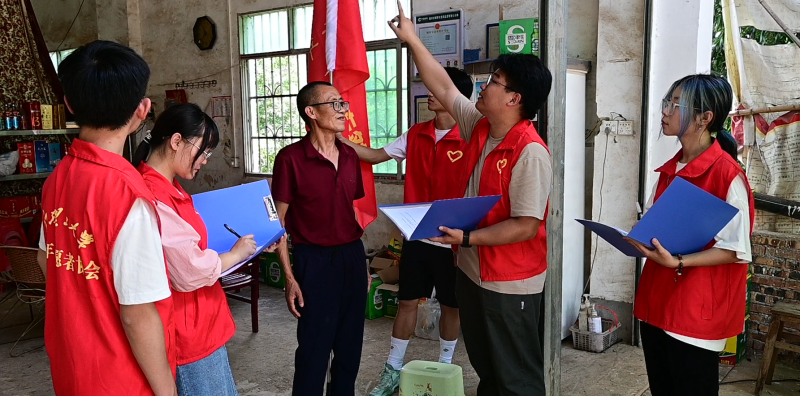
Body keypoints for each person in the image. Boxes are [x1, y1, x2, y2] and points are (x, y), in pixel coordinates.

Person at [388, 6, 553, 396]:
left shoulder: (529, 152)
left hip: (510, 282)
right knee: (487, 368)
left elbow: (526, 224)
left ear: (514, 98)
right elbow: (444, 86)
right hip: (472, 271)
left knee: (516, 376)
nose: (484, 87)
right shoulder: (480, 126)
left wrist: (468, 238)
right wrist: (412, 39)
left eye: (494, 81)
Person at [37, 40, 177, 395]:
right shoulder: (129, 195)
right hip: (121, 378)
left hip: (72, 365)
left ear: (68, 104)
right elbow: (137, 314)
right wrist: (167, 391)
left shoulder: (57, 178)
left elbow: (45, 258)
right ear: (142, 110)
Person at [337, 67, 474, 396]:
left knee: (452, 307)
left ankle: (444, 367)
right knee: (407, 302)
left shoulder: (472, 137)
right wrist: (337, 138)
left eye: (437, 87)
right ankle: (393, 370)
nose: (429, 92)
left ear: (456, 97)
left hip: (455, 241)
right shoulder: (416, 134)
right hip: (417, 238)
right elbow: (373, 155)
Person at [131, 103, 279, 396]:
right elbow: (190, 270)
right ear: (176, 141)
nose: (205, 161)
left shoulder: (171, 189)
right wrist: (236, 254)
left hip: (201, 321)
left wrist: (253, 243)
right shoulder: (153, 195)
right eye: (204, 150)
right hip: (188, 329)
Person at [628, 75, 753, 396]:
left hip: (696, 312)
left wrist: (679, 261)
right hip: (658, 302)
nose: (666, 110)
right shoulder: (672, 169)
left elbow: (736, 249)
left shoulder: (727, 175)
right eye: (666, 102)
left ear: (705, 118)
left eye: (675, 104)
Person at [272, 82, 370, 396]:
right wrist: (289, 277)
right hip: (313, 261)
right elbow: (278, 224)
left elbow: (350, 212)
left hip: (351, 257)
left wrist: (362, 264)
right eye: (334, 104)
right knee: (315, 347)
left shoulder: (351, 156)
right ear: (311, 112)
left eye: (343, 104)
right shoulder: (290, 159)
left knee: (350, 346)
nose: (343, 111)